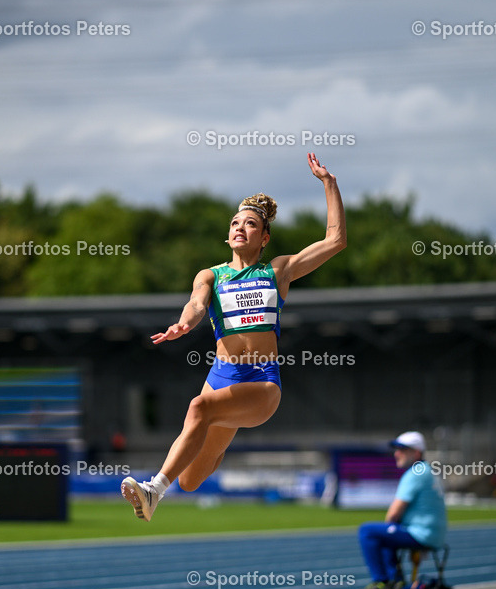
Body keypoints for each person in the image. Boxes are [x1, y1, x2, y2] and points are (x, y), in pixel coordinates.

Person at [121, 153, 346, 521]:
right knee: (192, 479)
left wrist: (329, 183)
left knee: (197, 407)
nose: (240, 227)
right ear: (228, 234)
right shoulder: (210, 275)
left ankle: (153, 490)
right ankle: (209, 455)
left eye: (251, 224)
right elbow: (196, 304)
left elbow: (336, 240)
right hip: (222, 377)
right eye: (235, 222)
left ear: (265, 237)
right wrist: (184, 324)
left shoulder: (278, 270)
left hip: (261, 383)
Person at [356, 431, 447, 589]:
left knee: (367, 531)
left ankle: (382, 581)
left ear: (417, 453)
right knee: (386, 533)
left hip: (422, 534)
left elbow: (393, 513)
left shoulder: (415, 474)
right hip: (432, 533)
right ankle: (395, 580)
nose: (397, 453)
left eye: (403, 449)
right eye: (397, 449)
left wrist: (390, 526)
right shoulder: (427, 471)